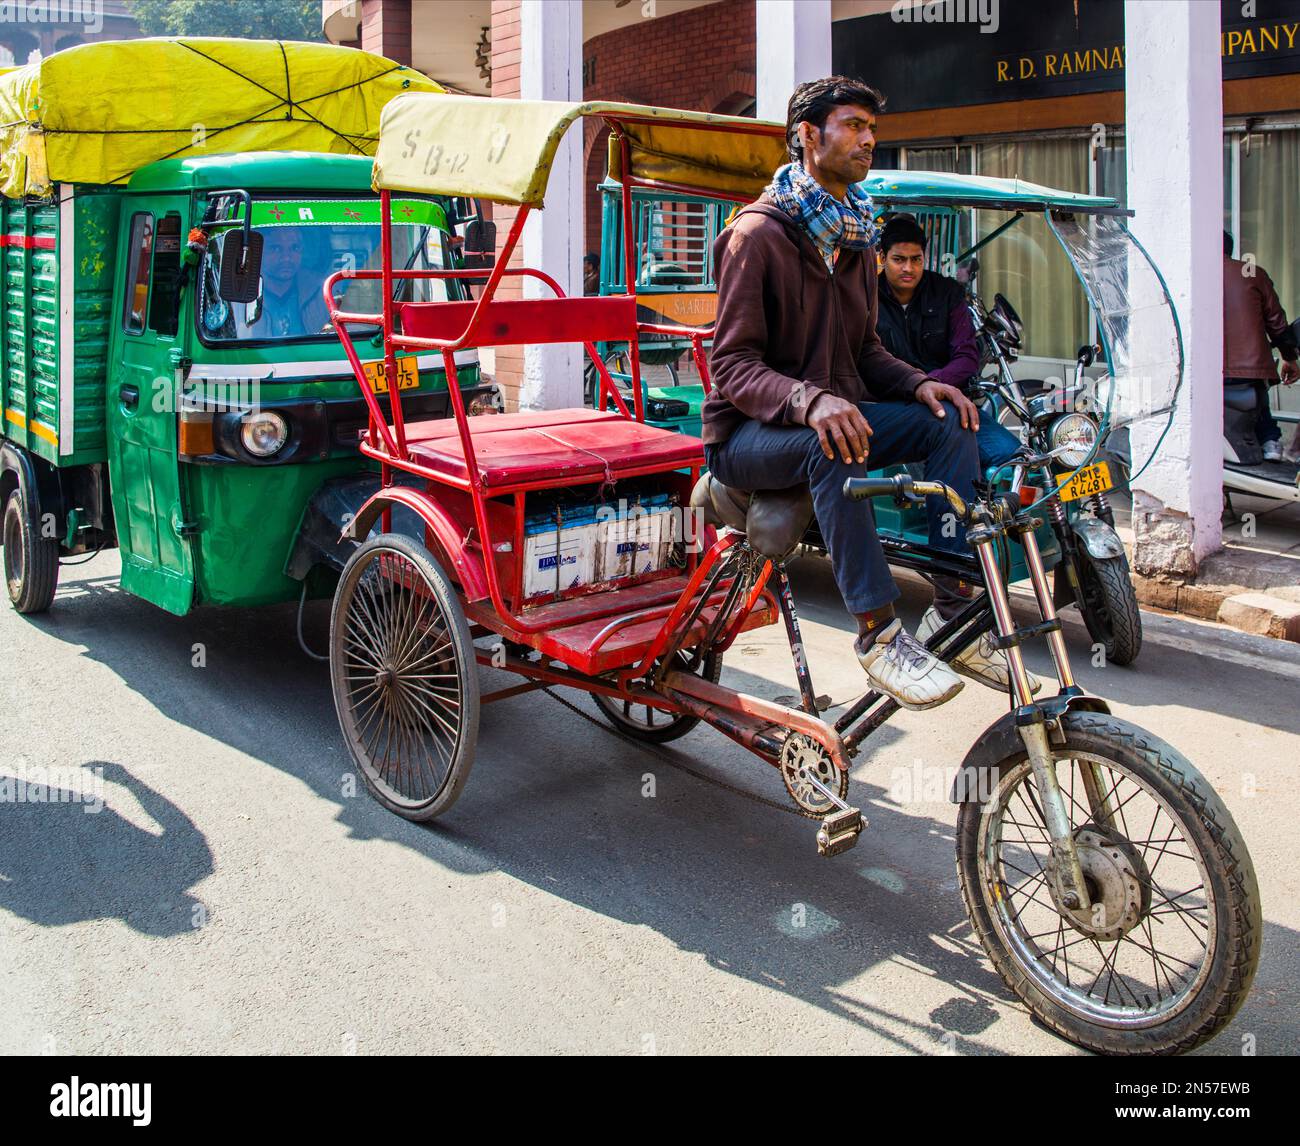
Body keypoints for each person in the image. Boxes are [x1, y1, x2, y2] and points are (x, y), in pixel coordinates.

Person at [703, 76, 1032, 711]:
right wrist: (808, 401)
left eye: (871, 130)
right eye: (853, 125)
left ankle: (949, 606)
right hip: (748, 435)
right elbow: (733, 366)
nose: (867, 140)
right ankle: (879, 634)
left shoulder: (856, 237)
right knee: (834, 444)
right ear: (807, 135)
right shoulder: (758, 236)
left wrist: (921, 383)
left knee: (950, 422)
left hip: (837, 418)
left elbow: (864, 351)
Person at [875, 214, 1021, 474]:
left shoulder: (947, 292)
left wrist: (932, 384)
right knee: (930, 479)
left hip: (953, 403)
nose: (908, 268)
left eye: (915, 259)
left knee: (1011, 456)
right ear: (882, 257)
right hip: (893, 407)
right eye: (899, 259)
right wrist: (914, 388)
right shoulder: (866, 297)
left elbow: (966, 357)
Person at [1223, 230, 1299, 462]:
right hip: (1252, 371)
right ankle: (1270, 441)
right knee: (1257, 395)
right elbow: (1277, 323)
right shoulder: (1253, 273)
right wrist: (1290, 357)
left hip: (1205, 372)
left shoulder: (1188, 275)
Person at [237, 228, 329, 339]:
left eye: (294, 248)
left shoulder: (323, 290)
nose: (286, 257)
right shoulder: (239, 295)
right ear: (259, 252)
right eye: (275, 248)